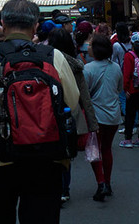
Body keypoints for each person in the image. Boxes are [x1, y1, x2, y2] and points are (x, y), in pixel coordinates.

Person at [0, 0, 81, 224]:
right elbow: (72, 103)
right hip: (46, 152)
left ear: (3, 24)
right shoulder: (53, 57)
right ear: (35, 25)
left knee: (3, 215)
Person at [46, 28, 98, 205]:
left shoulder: (46, 62)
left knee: (51, 152)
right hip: (72, 116)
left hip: (48, 114)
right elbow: (85, 96)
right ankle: (64, 190)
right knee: (66, 154)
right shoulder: (75, 65)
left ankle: (53, 187)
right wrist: (92, 124)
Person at [84, 34, 122, 201]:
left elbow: (84, 94)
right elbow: (119, 89)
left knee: (94, 149)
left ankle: (101, 183)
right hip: (113, 115)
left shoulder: (88, 69)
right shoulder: (115, 67)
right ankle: (108, 182)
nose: (88, 48)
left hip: (96, 117)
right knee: (106, 149)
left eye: (91, 45)